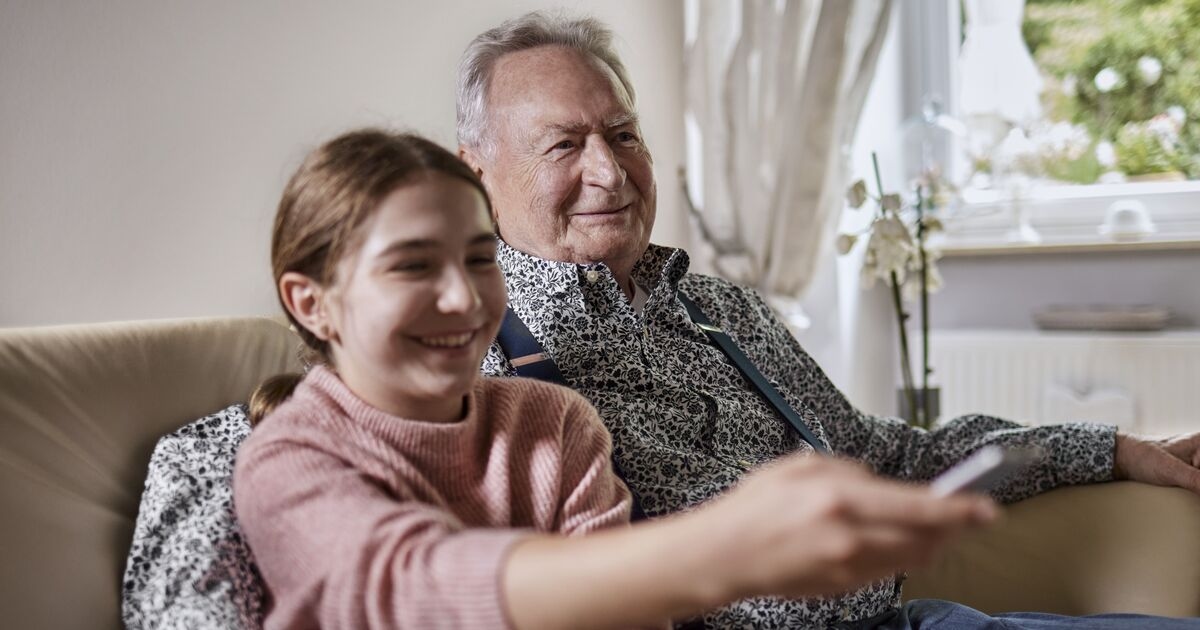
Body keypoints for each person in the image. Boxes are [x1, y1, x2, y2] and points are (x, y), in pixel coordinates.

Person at [454, 11, 1200, 629]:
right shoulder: (476, 357)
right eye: (563, 144)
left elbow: (879, 455)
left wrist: (1110, 449)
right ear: (478, 171)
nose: (610, 172)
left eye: (623, 134)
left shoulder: (721, 309)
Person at [232, 128, 996, 630]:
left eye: (477, 258)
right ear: (311, 303)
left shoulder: (550, 424)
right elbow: (414, 586)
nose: (464, 299)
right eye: (411, 265)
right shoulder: (290, 460)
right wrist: (723, 548)